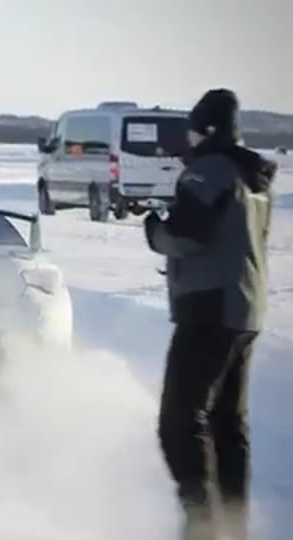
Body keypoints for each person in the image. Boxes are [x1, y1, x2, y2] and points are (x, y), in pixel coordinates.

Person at [143, 89, 277, 540]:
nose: (190, 136)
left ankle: (202, 526)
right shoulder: (251, 175)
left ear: (210, 130)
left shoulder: (211, 171)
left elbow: (186, 234)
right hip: (245, 308)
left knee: (179, 421)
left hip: (209, 306)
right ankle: (233, 526)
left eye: (195, 128)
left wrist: (155, 230)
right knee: (225, 423)